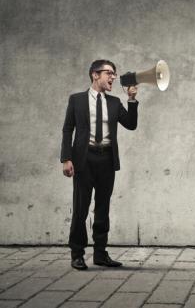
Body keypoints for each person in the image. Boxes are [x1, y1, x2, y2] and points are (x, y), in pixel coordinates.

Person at [61, 59, 139, 270]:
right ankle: (77, 254)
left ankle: (100, 254)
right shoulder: (76, 100)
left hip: (106, 160)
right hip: (83, 161)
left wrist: (131, 99)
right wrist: (66, 159)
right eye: (109, 73)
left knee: (102, 208)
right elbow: (68, 129)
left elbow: (131, 125)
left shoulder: (114, 102)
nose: (113, 77)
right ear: (95, 75)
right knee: (80, 209)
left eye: (114, 74)